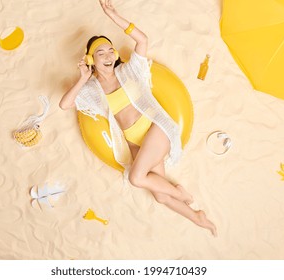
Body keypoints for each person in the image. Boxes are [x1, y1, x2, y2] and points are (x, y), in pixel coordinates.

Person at [60, 0, 217, 236]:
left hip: (156, 130)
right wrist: (82, 77)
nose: (108, 54)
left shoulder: (129, 71)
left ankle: (182, 193)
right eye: (100, 52)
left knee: (136, 178)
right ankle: (198, 217)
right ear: (91, 60)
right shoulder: (92, 89)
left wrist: (114, 15)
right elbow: (65, 104)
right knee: (161, 196)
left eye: (110, 50)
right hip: (135, 143)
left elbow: (142, 40)